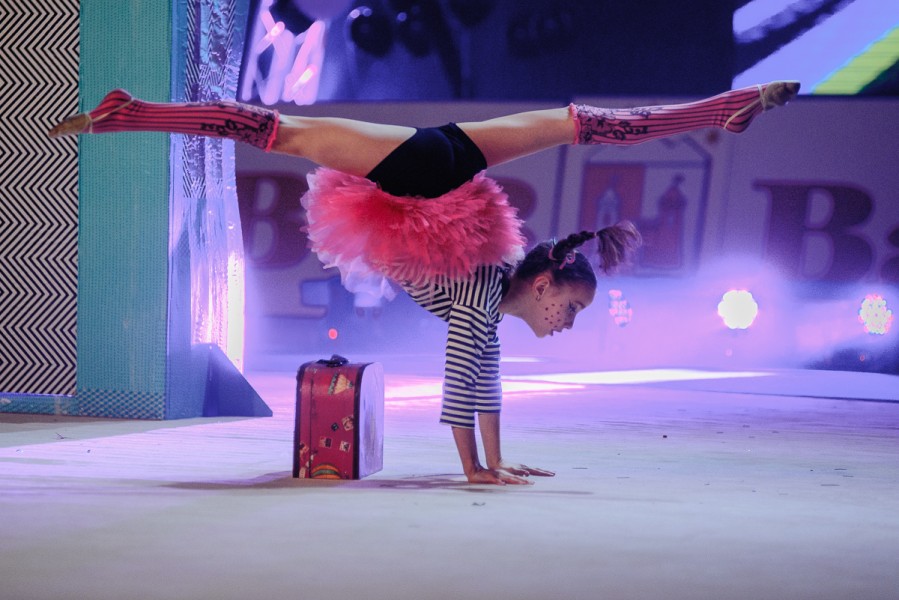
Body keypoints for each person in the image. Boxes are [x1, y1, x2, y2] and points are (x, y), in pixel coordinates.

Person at [50, 81, 800, 485]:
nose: (567, 323)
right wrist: (474, 470)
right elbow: (459, 387)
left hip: (448, 158)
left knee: (577, 124)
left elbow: (487, 381)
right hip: (420, 174)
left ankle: (722, 110)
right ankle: (133, 115)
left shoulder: (496, 292)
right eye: (570, 308)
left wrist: (495, 460)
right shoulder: (478, 299)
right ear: (544, 284)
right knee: (283, 131)